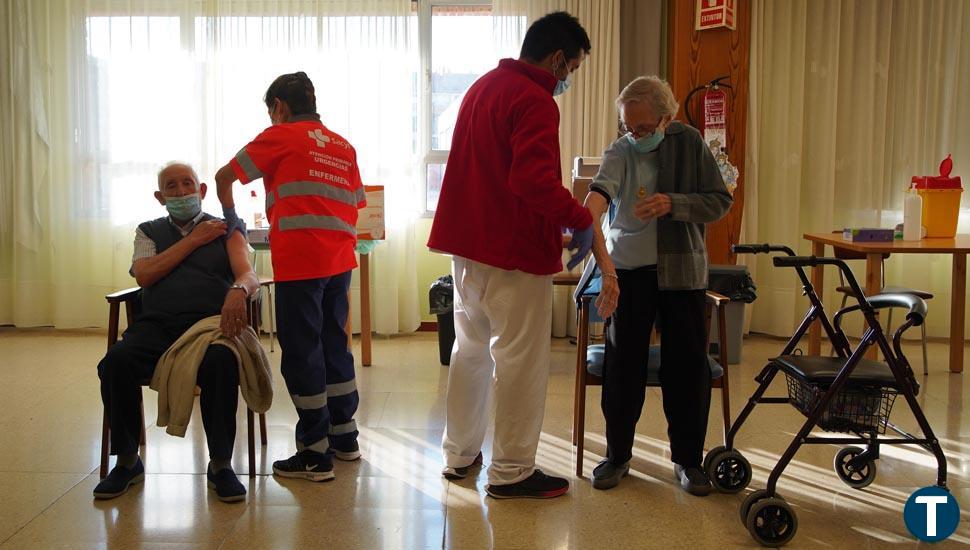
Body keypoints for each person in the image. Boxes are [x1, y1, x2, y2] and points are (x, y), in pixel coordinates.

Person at [428, 11, 594, 500]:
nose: (567, 80)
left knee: (470, 351)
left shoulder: (482, 87)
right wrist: (578, 218)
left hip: (469, 248)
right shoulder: (535, 98)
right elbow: (531, 180)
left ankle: (459, 455)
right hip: (513, 254)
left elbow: (492, 171)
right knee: (520, 362)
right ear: (559, 58)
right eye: (572, 69)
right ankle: (512, 472)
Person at [214, 72, 366, 482]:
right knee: (335, 345)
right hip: (338, 262)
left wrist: (231, 220)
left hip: (300, 262)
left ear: (279, 106)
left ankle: (315, 453)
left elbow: (224, 177)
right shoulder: (343, 145)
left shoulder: (278, 136)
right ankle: (344, 437)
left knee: (301, 352)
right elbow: (358, 200)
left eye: (271, 111)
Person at [585, 76, 732, 495]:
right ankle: (617, 456)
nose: (635, 135)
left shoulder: (690, 143)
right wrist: (588, 216)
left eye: (644, 128)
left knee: (686, 367)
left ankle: (688, 461)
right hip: (629, 273)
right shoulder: (620, 150)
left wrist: (674, 203)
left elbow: (719, 200)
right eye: (628, 127)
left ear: (667, 119)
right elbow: (600, 190)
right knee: (622, 366)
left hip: (681, 273)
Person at [94, 162, 260, 503]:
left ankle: (220, 465)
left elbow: (248, 273)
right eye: (172, 186)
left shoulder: (227, 227)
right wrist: (193, 240)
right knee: (116, 362)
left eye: (188, 184)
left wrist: (239, 291)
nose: (181, 191)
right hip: (157, 325)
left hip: (208, 326)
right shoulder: (148, 231)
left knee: (222, 362)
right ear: (160, 197)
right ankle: (127, 461)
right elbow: (145, 275)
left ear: (201, 191)